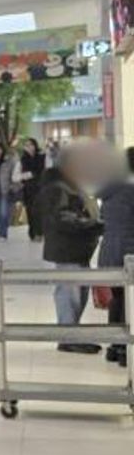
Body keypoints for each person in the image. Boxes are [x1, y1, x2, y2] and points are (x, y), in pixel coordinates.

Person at [40, 143, 104, 353]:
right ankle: (68, 338)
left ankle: (72, 334)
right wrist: (93, 225)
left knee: (78, 295)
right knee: (70, 295)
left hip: (77, 249)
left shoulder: (71, 186)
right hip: (68, 250)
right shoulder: (58, 188)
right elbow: (62, 219)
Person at [97, 147, 134, 367]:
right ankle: (124, 349)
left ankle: (115, 346)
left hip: (110, 249)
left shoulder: (109, 189)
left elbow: (103, 218)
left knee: (117, 298)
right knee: (128, 299)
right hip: (130, 252)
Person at [18, 137, 47, 240]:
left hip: (40, 187)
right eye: (26, 145)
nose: (29, 147)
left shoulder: (42, 157)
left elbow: (42, 171)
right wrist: (27, 175)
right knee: (30, 211)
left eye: (31, 145)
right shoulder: (23, 159)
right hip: (28, 189)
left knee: (38, 211)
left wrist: (32, 174)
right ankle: (32, 233)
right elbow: (20, 174)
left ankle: (39, 232)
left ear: (35, 146)